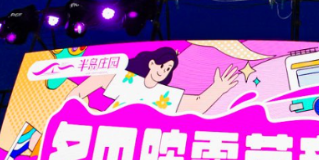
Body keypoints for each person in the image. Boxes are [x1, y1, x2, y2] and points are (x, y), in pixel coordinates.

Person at [65, 46, 239, 114]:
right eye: (162, 66)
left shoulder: (164, 94)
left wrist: (218, 88)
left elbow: (197, 104)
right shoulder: (127, 81)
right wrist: (84, 112)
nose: (163, 71)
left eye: (168, 69)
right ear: (152, 63)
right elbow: (82, 90)